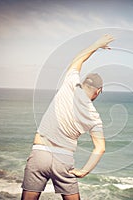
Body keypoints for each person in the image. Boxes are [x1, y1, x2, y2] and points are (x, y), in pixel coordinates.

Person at [21, 34, 115, 200]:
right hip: (63, 160)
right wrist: (83, 171)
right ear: (98, 91)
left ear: (84, 83)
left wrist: (96, 44)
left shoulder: (70, 83)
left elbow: (78, 59)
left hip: (39, 153)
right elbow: (100, 148)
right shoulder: (94, 117)